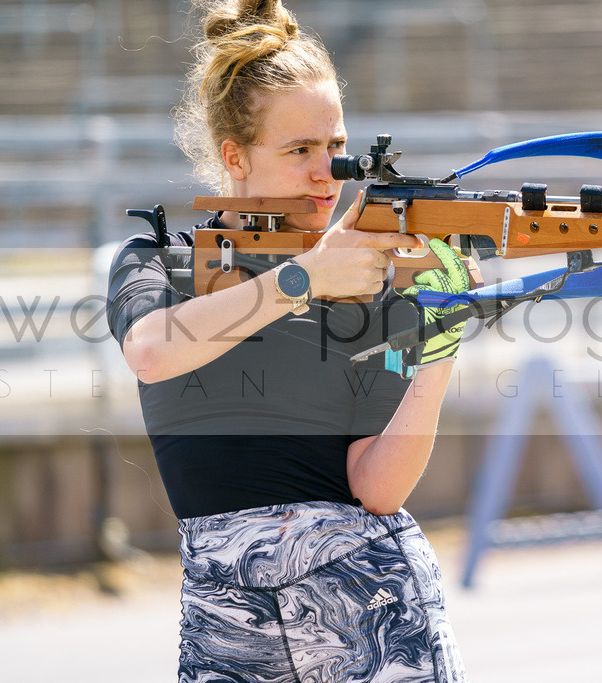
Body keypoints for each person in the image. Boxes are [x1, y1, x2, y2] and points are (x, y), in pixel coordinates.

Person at [106, 0, 470, 680]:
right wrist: (304, 277)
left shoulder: (370, 283)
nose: (325, 174)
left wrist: (440, 339)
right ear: (233, 156)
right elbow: (154, 351)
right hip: (226, 623)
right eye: (300, 150)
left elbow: (380, 485)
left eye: (335, 147)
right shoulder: (161, 260)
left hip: (375, 616)